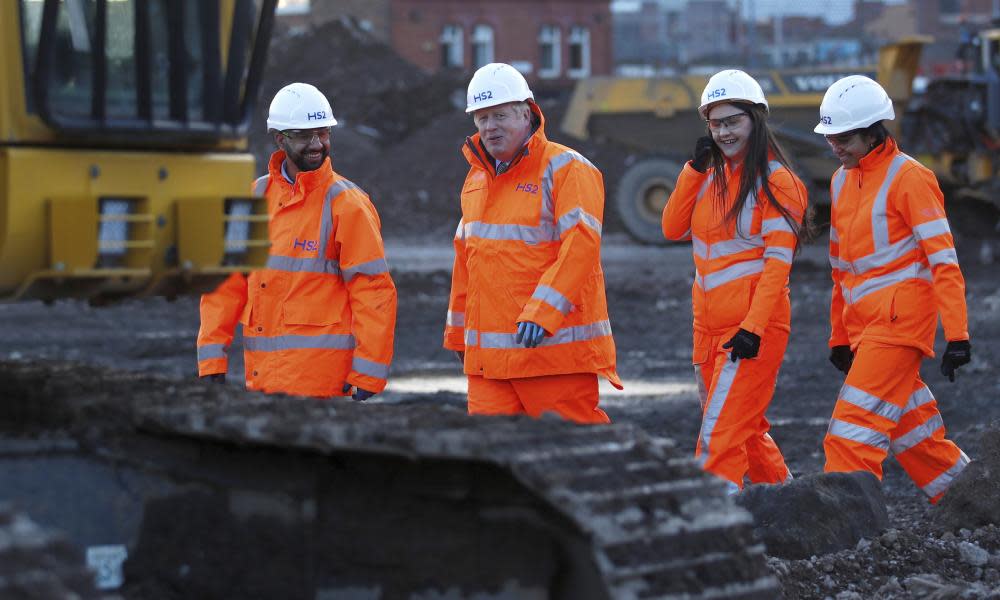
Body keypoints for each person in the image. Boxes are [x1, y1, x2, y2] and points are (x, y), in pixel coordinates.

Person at [815, 75, 971, 502]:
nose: (836, 146)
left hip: (899, 326)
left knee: (850, 437)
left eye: (844, 138)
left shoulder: (911, 178)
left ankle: (846, 531)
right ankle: (975, 501)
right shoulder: (840, 182)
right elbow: (840, 269)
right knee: (917, 437)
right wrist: (840, 336)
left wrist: (957, 335)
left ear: (873, 131)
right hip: (866, 329)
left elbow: (944, 261)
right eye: (831, 137)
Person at [443, 63, 622, 424]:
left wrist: (543, 313)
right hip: (489, 366)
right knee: (493, 464)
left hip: (552, 354)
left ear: (527, 113)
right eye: (481, 118)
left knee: (573, 455)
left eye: (500, 115)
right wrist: (458, 336)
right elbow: (467, 262)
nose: (490, 127)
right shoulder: (476, 179)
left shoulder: (567, 168)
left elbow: (582, 246)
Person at [197, 83, 396, 400]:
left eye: (323, 133)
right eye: (305, 136)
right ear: (280, 138)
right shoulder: (254, 198)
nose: (317, 144)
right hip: (261, 381)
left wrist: (368, 373)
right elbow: (224, 285)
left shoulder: (346, 204)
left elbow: (372, 291)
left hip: (321, 386)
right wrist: (211, 362)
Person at [662, 70, 809, 494]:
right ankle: (793, 507)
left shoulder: (780, 183)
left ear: (755, 120)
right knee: (745, 431)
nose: (724, 131)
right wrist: (693, 169)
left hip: (750, 332)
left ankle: (713, 529)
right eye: (715, 123)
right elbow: (672, 227)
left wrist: (753, 329)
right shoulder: (709, 179)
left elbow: (777, 267)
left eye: (732, 121)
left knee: (719, 436)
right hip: (707, 333)